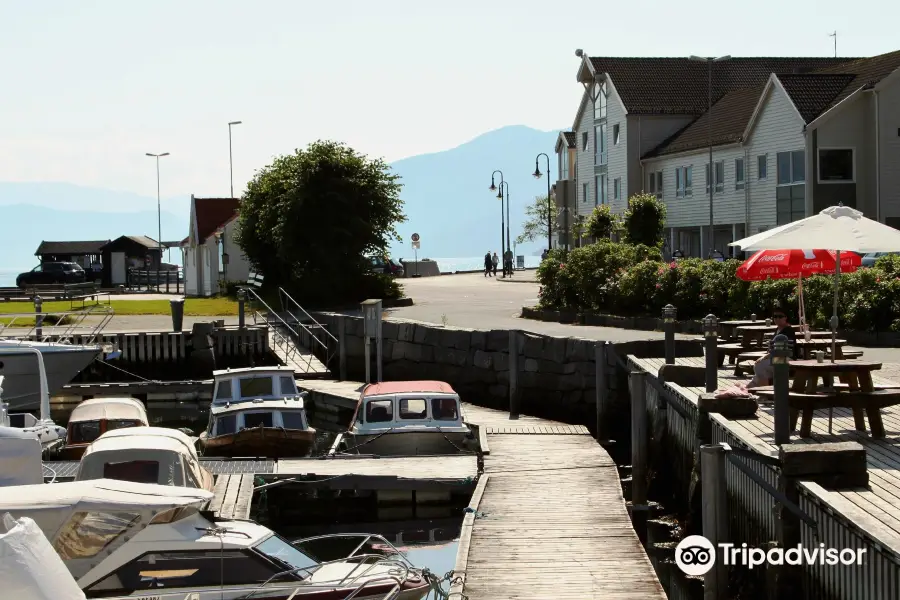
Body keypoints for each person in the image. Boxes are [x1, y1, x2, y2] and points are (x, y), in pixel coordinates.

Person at [749, 306, 799, 387]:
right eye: (775, 316)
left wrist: (764, 357)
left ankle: (764, 394)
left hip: (787, 359)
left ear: (785, 317)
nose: (777, 319)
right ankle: (754, 389)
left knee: (759, 366)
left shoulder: (788, 331)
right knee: (760, 371)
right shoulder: (778, 329)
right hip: (777, 357)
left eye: (780, 316)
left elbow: (780, 350)